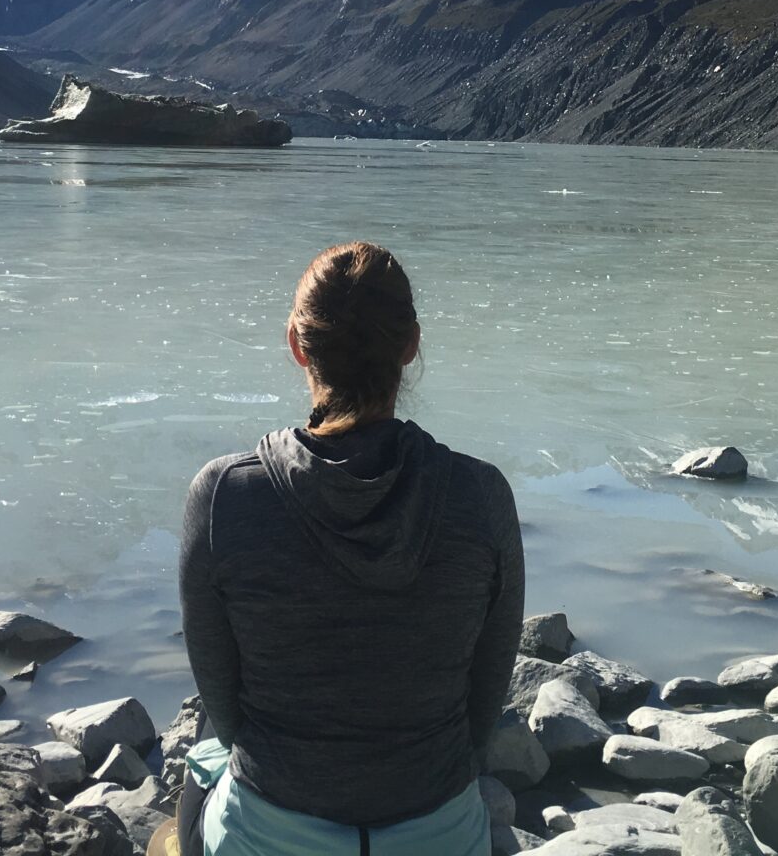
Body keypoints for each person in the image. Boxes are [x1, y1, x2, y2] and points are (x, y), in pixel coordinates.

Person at [166, 241, 525, 856]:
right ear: (410, 346)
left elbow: (226, 709)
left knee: (198, 774)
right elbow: (482, 705)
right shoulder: (480, 495)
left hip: (273, 828)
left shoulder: (226, 494)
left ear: (297, 345)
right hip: (435, 829)